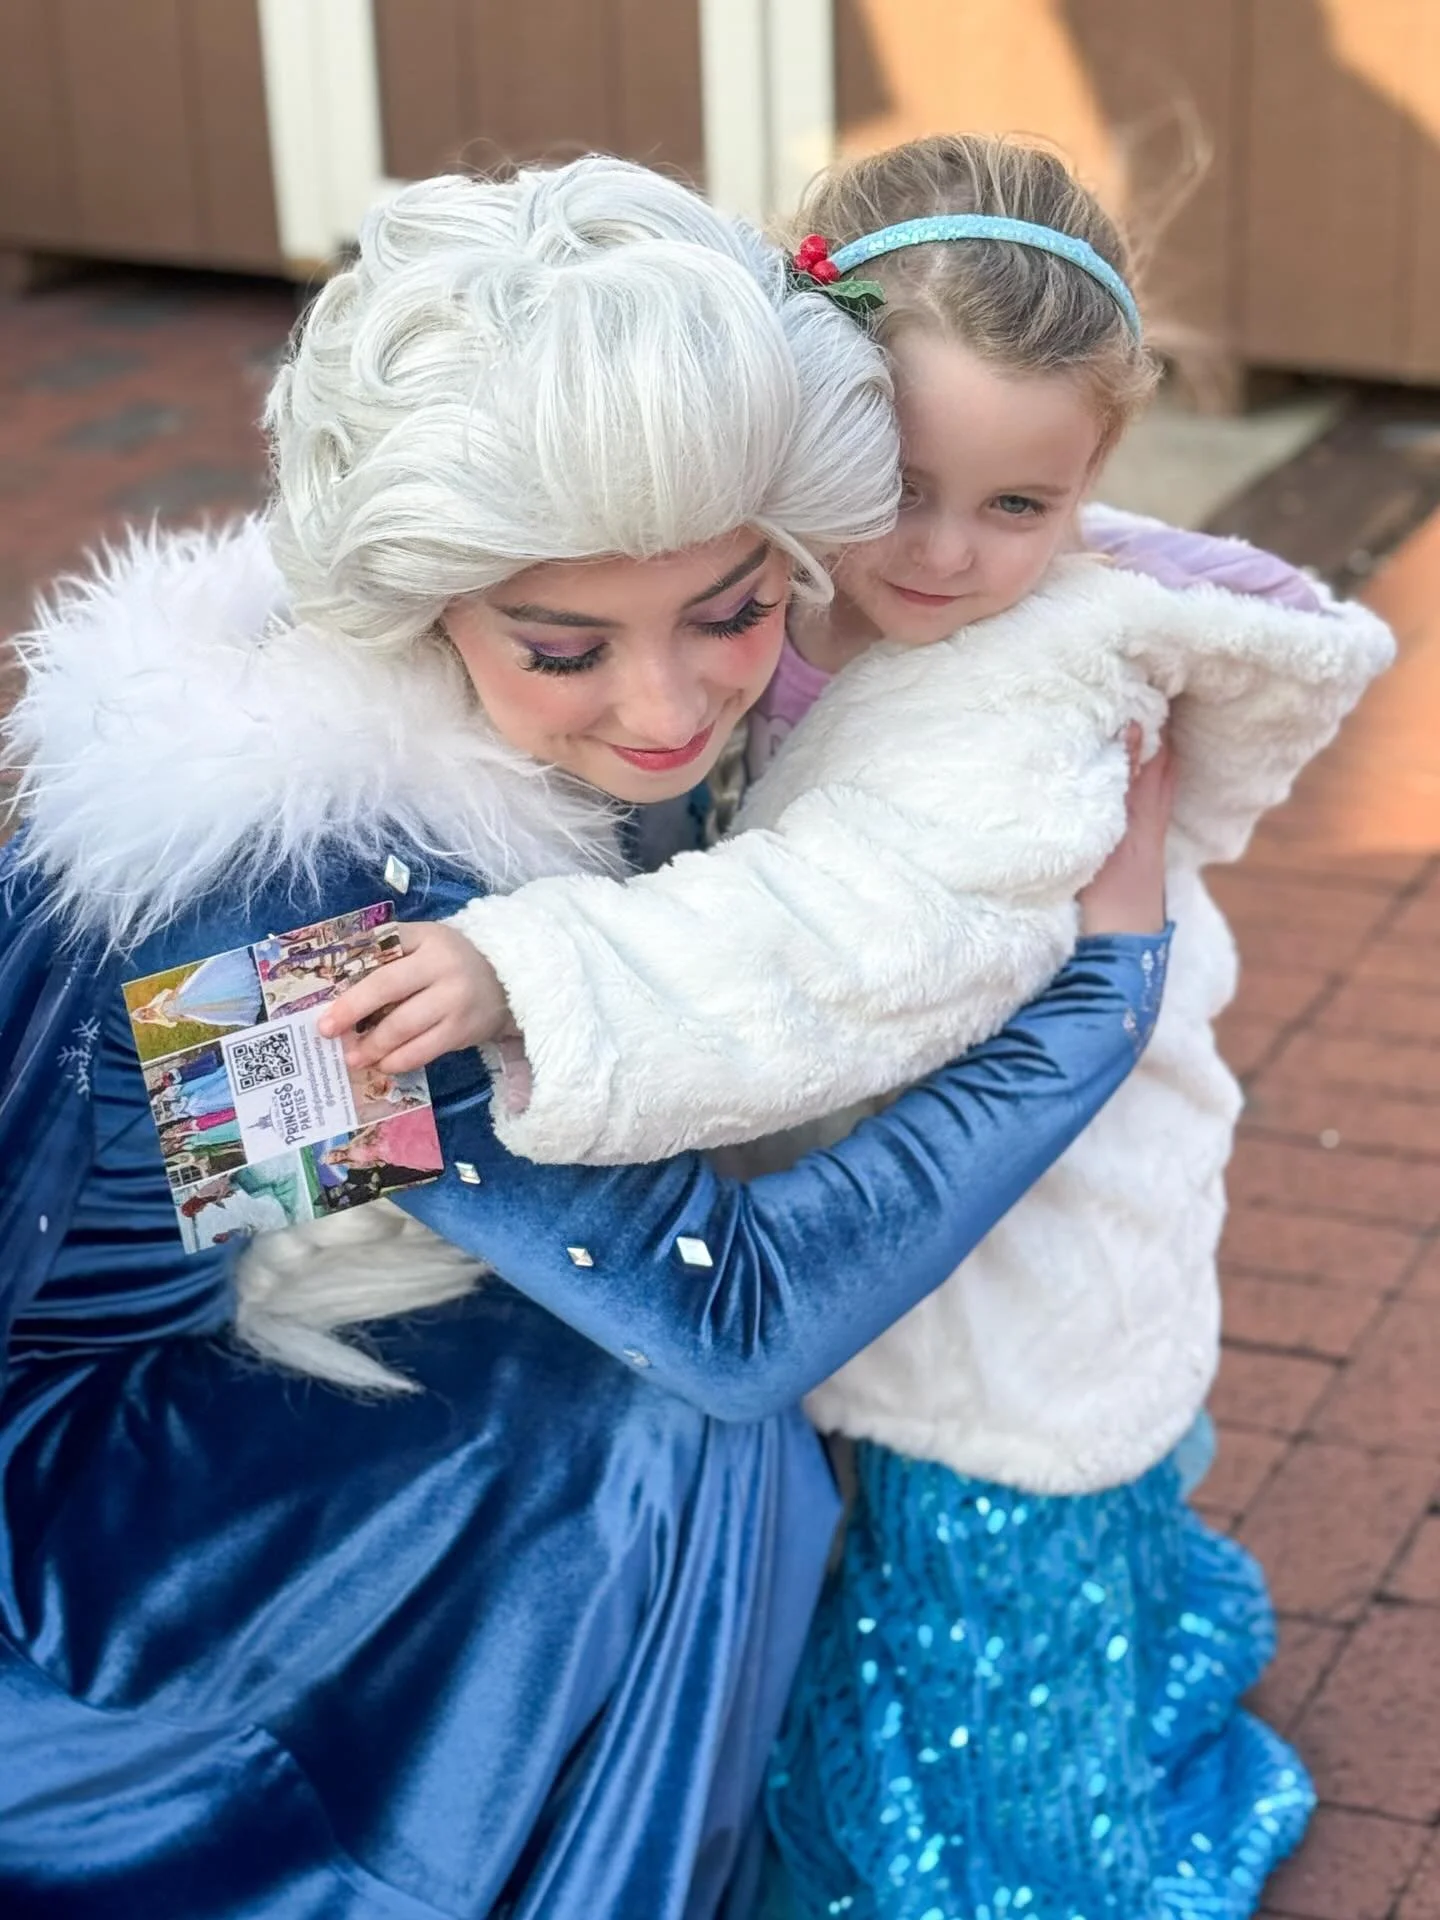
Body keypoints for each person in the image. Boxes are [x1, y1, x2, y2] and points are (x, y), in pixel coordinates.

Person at [0, 156, 1173, 1919]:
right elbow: (732, 1317)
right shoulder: (288, 911)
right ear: (430, 607)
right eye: (567, 649)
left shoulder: (510, 652)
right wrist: (1108, 988)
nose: (670, 709)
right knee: (652, 1415)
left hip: (340, 1292)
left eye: (734, 611)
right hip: (95, 1542)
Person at [323, 138, 1393, 1916]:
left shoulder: (1031, 708)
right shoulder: (807, 607)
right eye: (897, 484)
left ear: (1096, 477)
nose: (944, 556)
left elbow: (846, 940)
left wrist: (537, 970)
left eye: (1018, 508)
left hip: (1023, 1306)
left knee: (1000, 1709)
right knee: (922, 1612)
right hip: (932, 1262)